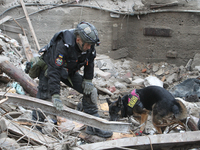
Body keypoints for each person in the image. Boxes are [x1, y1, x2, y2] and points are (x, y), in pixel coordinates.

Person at [27, 21, 113, 138]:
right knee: (44, 98)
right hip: (50, 68)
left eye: (91, 45)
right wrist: (56, 95)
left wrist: (88, 80)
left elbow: (90, 62)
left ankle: (93, 126)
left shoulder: (89, 45)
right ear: (78, 40)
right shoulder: (63, 44)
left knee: (91, 91)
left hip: (69, 70)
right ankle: (37, 128)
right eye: (87, 45)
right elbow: (54, 71)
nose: (89, 47)